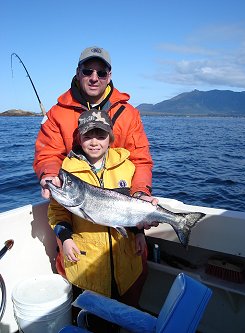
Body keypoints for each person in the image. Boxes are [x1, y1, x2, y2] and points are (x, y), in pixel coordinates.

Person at [48, 110, 147, 332]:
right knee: (95, 320)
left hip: (124, 261)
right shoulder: (67, 169)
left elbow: (130, 209)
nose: (94, 142)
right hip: (88, 265)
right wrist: (64, 238)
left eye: (101, 135)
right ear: (79, 138)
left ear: (110, 138)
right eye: (87, 135)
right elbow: (57, 212)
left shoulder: (127, 165)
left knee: (122, 315)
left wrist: (139, 233)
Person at [33, 46, 158, 219]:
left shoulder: (129, 114)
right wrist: (50, 175)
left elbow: (141, 159)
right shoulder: (56, 114)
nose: (94, 78)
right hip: (76, 220)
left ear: (109, 76)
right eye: (87, 71)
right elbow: (47, 155)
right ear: (78, 73)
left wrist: (140, 192)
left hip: (124, 215)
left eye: (101, 73)